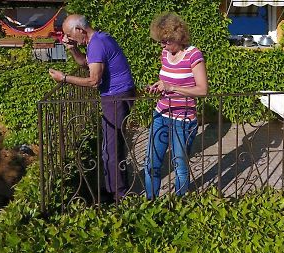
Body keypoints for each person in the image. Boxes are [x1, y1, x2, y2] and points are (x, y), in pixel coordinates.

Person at [48, 14, 135, 202]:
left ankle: (119, 195)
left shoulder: (96, 44)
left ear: (80, 30)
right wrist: (73, 49)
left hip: (116, 97)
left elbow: (94, 80)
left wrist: (64, 78)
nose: (68, 38)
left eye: (69, 35)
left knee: (112, 148)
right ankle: (113, 188)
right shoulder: (99, 39)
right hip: (118, 95)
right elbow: (86, 64)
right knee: (109, 146)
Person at [145, 12, 208, 198]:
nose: (163, 45)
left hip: (183, 120)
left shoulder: (193, 55)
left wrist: (172, 87)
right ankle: (150, 204)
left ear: (178, 37)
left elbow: (203, 90)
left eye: (166, 41)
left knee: (180, 166)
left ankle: (179, 207)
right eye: (160, 41)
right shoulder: (164, 54)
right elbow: (166, 79)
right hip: (161, 115)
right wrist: (159, 86)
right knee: (151, 163)